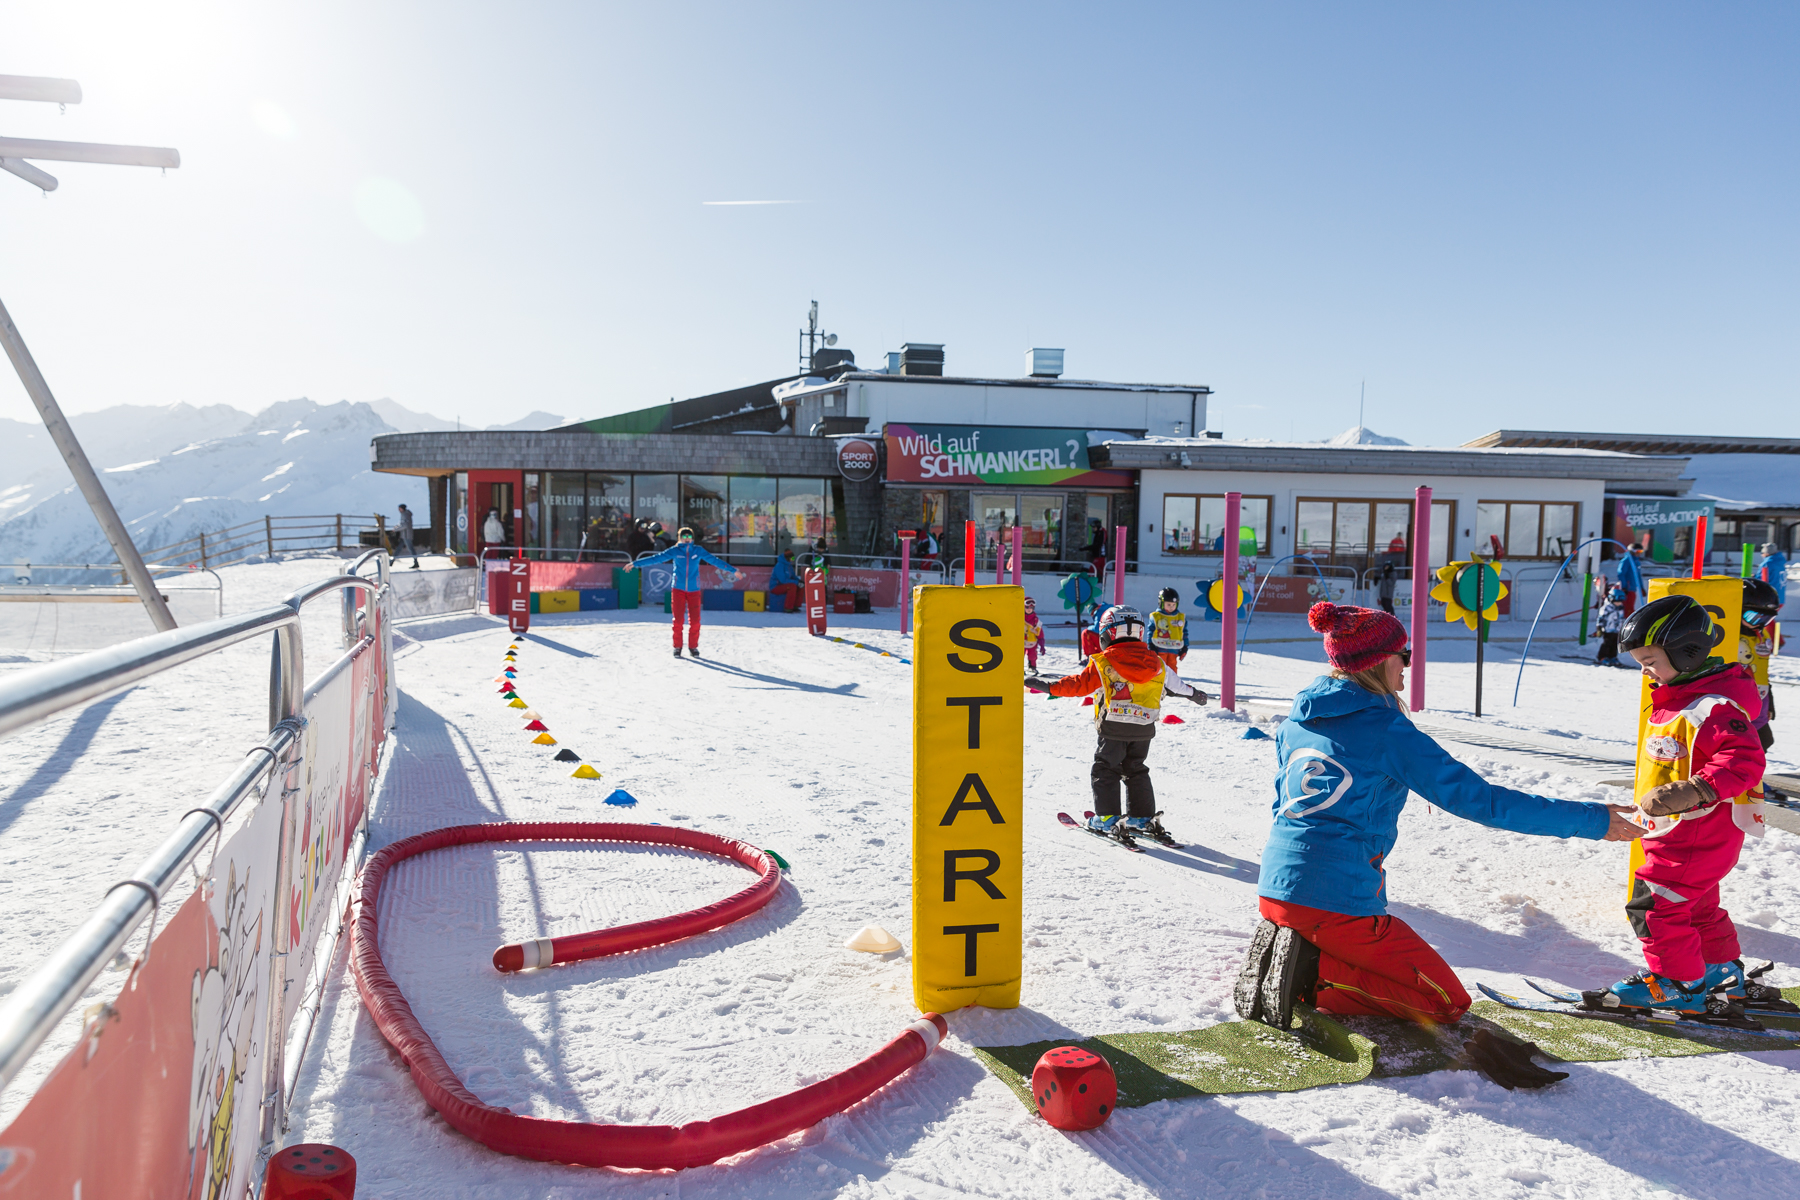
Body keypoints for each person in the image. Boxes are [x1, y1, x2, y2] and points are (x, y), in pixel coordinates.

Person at [1236, 601, 1641, 1033]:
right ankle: (1311, 977)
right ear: (1378, 662)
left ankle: (1301, 946)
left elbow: (1283, 805)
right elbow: (1482, 801)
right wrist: (1592, 820)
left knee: (1401, 975)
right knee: (1443, 1001)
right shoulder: (1388, 731)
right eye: (1403, 655)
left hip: (1275, 888)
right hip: (1337, 903)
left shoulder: (1295, 724)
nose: (1408, 665)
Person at [1600, 595, 1766, 1012]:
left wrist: (1693, 790)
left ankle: (1677, 983)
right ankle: (1720, 972)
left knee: (1653, 905)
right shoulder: (1676, 700)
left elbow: (1744, 760)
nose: (1645, 670)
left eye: (1651, 660)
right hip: (1680, 835)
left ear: (1686, 651)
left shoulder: (1712, 708)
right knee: (1696, 907)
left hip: (1695, 836)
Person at [1025, 605, 1209, 848]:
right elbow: (1177, 685)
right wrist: (1195, 694)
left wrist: (1048, 686)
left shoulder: (1104, 661)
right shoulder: (1155, 661)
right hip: (1144, 726)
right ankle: (1142, 818)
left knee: (1105, 769)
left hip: (1114, 725)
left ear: (1106, 635)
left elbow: (1078, 685)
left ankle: (1108, 818)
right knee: (1136, 768)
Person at [635, 527, 742, 657]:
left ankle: (693, 647)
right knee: (678, 621)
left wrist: (732, 570)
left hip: (694, 590)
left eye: (689, 537)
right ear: (680, 538)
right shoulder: (675, 551)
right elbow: (656, 558)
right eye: (684, 537)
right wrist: (635, 563)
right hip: (678, 590)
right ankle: (677, 647)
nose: (686, 539)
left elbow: (715, 561)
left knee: (695, 622)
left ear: (692, 538)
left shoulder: (698, 550)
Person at [1738, 577, 1781, 758]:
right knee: (1741, 745)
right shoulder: (1728, 636)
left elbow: (1762, 670)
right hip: (1738, 702)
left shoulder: (1762, 635)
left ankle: (1754, 781)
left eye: (1766, 618)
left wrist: (1769, 700)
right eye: (1753, 617)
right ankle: (1743, 782)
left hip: (1759, 700)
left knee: (1764, 741)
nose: (1759, 623)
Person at [1148, 586, 1188, 671]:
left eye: (1174, 605)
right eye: (1168, 604)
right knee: (1160, 666)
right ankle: (1160, 682)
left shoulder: (1179, 617)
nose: (1171, 607)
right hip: (1159, 647)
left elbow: (1184, 632)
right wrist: (1150, 645)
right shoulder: (1156, 616)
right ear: (1161, 603)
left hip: (1174, 649)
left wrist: (1185, 647)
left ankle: (1172, 683)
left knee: (1172, 667)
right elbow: (1150, 631)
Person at [1595, 583, 1626, 666]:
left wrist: (1623, 627)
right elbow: (1600, 618)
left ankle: (1612, 657)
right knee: (1607, 644)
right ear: (1611, 599)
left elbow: (1621, 618)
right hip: (1608, 629)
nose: (1619, 603)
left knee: (1615, 645)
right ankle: (1602, 657)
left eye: (1620, 602)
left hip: (1617, 630)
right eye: (1617, 602)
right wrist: (1599, 628)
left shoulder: (1620, 607)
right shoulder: (1606, 608)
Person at [1616, 543, 1648, 617]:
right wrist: (1624, 587)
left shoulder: (1636, 562)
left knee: (1631, 607)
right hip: (1627, 589)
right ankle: (1626, 623)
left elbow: (1638, 576)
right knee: (1628, 608)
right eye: (1637, 552)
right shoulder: (1626, 561)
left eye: (1640, 552)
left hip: (1632, 589)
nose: (1639, 554)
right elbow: (1621, 574)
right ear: (1632, 551)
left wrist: (1641, 587)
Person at [768, 549, 804, 614]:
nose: (793, 559)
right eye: (792, 558)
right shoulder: (779, 565)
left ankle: (796, 605)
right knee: (792, 586)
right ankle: (788, 608)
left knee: (800, 586)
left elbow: (793, 576)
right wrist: (796, 582)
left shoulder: (789, 566)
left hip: (784, 585)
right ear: (787, 558)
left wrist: (799, 581)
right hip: (776, 586)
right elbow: (783, 580)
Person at [1760, 542, 1789, 608]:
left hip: (1768, 597)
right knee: (1769, 617)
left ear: (1767, 553)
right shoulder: (1781, 562)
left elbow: (1760, 578)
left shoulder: (1767, 563)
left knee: (1763, 617)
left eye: (1762, 553)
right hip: (1780, 598)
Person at [1024, 596, 1047, 670]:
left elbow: (1040, 632)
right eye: (1027, 607)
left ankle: (1032, 667)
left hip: (1032, 642)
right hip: (1021, 642)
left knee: (1032, 656)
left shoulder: (1036, 620)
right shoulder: (1019, 618)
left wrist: (1042, 645)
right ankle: (1018, 668)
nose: (1029, 610)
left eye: (1031, 608)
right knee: (1019, 656)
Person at [395, 503, 420, 569]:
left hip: (406, 535)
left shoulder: (405, 515)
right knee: (399, 548)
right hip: (404, 535)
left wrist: (396, 529)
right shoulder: (404, 514)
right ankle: (391, 561)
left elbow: (405, 525)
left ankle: (416, 562)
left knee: (411, 549)